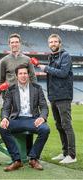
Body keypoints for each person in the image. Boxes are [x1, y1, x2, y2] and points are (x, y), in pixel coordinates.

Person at [0, 64, 50, 171]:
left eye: (25, 73)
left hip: (33, 119)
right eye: (20, 73)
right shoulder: (11, 89)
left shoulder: (37, 88)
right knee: (3, 128)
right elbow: (6, 108)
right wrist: (4, 118)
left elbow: (44, 107)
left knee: (45, 129)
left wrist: (42, 118)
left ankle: (33, 158)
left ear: (29, 75)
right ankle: (17, 160)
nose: (23, 76)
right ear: (17, 76)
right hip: (17, 119)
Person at [38, 34, 76, 164]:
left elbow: (63, 73)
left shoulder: (65, 56)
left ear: (60, 43)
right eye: (51, 42)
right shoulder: (52, 56)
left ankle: (72, 155)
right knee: (59, 125)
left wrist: (46, 68)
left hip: (63, 96)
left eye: (55, 41)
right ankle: (65, 152)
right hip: (54, 96)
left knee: (66, 125)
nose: (53, 44)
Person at [0, 33, 37, 155]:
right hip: (11, 98)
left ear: (19, 43)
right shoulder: (4, 61)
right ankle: (16, 154)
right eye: (12, 42)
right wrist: (4, 96)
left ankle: (29, 153)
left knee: (28, 122)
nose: (14, 44)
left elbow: (33, 77)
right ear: (9, 44)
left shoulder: (27, 59)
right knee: (10, 125)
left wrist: (34, 95)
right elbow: (1, 80)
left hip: (26, 97)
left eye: (16, 42)